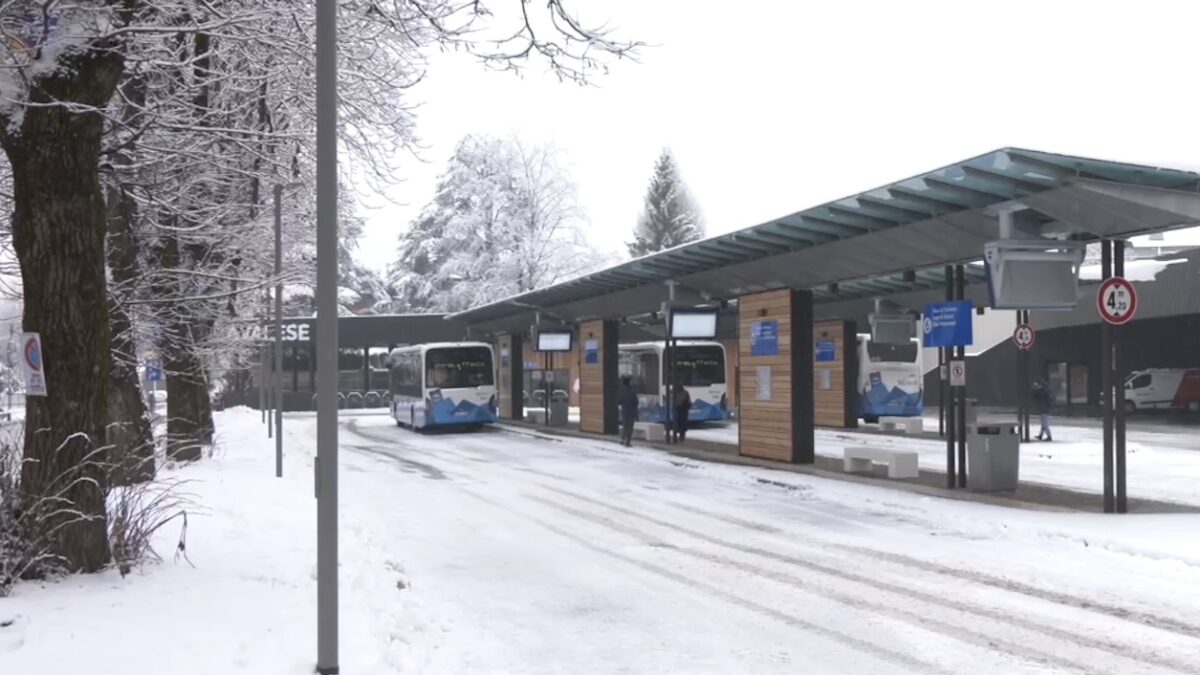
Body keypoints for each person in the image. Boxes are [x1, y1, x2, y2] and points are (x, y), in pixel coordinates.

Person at [617, 375, 639, 446]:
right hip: (631, 411)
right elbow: (636, 402)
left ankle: (622, 439)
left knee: (625, 426)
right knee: (629, 427)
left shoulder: (621, 391)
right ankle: (627, 441)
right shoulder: (632, 391)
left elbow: (619, 401)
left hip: (624, 411)